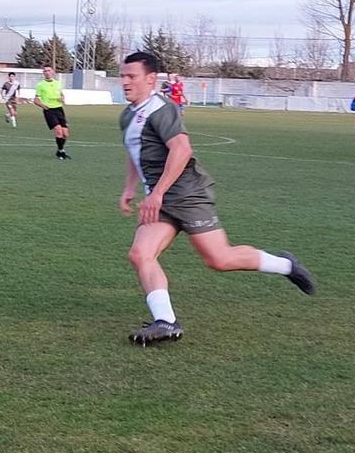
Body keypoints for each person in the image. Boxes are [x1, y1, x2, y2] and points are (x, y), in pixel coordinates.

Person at [117, 52, 315, 346]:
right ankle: (166, 322)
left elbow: (181, 150)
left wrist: (156, 192)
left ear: (150, 79)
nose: (125, 82)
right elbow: (137, 151)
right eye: (122, 76)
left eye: (131, 76)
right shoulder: (129, 114)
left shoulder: (161, 109)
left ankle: (286, 265)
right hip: (161, 200)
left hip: (187, 194)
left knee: (219, 259)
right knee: (140, 254)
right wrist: (130, 188)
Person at [34, 65, 70, 160]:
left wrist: (62, 98)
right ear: (43, 73)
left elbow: (61, 95)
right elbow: (36, 100)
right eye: (45, 71)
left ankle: (59, 150)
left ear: (53, 72)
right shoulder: (40, 85)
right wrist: (43, 106)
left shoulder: (58, 83)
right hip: (49, 110)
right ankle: (61, 152)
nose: (47, 72)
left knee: (65, 134)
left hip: (59, 109)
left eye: (49, 70)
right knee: (58, 130)